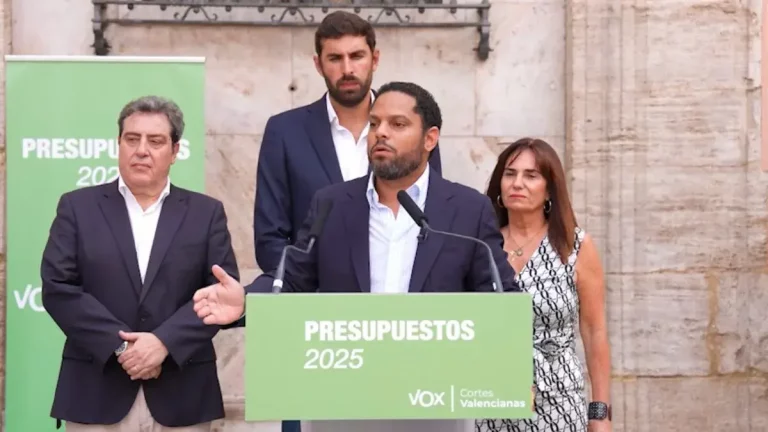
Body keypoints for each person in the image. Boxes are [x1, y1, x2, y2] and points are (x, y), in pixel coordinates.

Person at [192, 80, 518, 324]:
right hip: (347, 387)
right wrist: (247, 301)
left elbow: (499, 299)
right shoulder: (332, 205)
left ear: (430, 138)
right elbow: (291, 280)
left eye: (398, 124)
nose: (380, 133)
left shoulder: (468, 210)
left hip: (436, 392)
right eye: (374, 123)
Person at [40, 95, 239, 432]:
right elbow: (59, 289)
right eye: (132, 139)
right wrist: (122, 347)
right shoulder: (78, 207)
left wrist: (163, 343)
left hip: (182, 394)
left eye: (156, 141)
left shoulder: (206, 214)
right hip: (95, 392)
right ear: (119, 144)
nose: (142, 149)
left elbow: (220, 296)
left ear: (175, 152)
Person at [254, 10, 443, 273]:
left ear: (374, 59)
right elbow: (269, 238)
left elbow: (431, 218)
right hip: (314, 302)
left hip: (401, 299)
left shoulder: (413, 128)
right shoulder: (285, 131)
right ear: (318, 64)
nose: (347, 69)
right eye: (335, 58)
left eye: (356, 56)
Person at [475, 138, 612, 432]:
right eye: (509, 174)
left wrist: (600, 415)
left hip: (560, 403)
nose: (517, 183)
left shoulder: (574, 246)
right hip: (492, 401)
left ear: (550, 188)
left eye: (531, 175)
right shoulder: (482, 247)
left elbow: (594, 330)